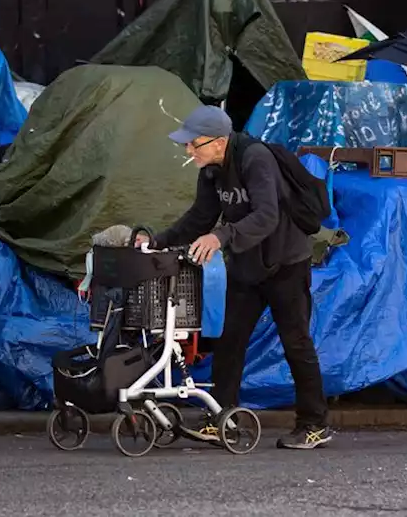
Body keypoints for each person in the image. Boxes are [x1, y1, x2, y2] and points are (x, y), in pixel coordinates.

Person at [143, 104, 333, 451]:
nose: (188, 150)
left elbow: (266, 216)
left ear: (218, 141)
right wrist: (157, 241)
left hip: (286, 262)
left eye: (193, 143)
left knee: (296, 343)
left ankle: (314, 424)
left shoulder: (255, 158)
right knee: (230, 341)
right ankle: (221, 418)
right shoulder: (211, 169)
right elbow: (200, 216)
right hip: (247, 265)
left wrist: (221, 237)